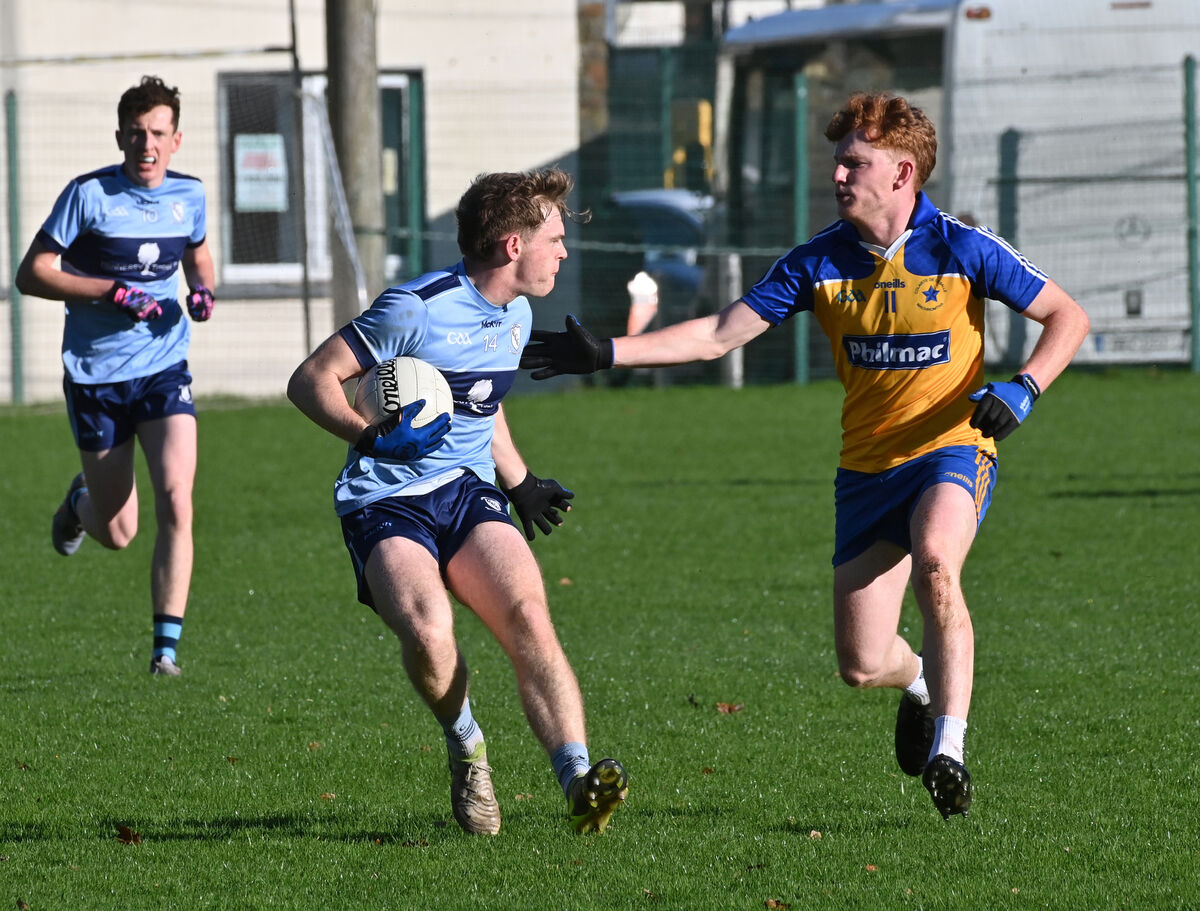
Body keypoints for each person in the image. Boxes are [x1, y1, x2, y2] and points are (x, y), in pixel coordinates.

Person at [521, 93, 1090, 820]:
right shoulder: (817, 260)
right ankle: (920, 681)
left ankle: (949, 751)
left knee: (937, 565)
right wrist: (607, 352)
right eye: (838, 162)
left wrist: (1024, 387)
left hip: (952, 448)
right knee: (862, 664)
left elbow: (1067, 315)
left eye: (855, 163)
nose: (838, 175)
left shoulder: (962, 248)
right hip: (866, 471)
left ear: (903, 172)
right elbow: (718, 334)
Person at [286, 168, 628, 836]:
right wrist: (368, 437)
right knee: (428, 631)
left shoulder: (517, 313)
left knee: (528, 614)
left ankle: (578, 780)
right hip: (385, 498)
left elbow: (481, 401)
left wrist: (520, 481)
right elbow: (311, 379)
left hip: (467, 491)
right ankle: (467, 747)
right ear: (512, 246)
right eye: (555, 239)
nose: (563, 252)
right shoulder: (415, 308)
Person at [16, 75, 216, 677]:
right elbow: (32, 273)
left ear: (176, 139)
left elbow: (198, 254)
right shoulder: (89, 195)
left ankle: (165, 654)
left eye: (157, 133)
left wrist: (203, 290)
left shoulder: (190, 195)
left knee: (177, 500)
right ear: (120, 137)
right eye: (135, 133)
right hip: (95, 377)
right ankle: (80, 504)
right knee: (119, 530)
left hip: (163, 369)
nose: (146, 144)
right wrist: (111, 290)